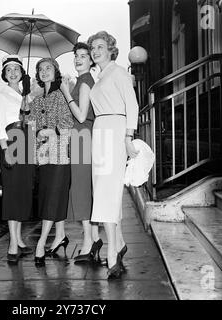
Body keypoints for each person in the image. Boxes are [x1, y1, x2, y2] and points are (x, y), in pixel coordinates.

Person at [87, 31, 139, 278]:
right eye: (93, 48)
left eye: (100, 46)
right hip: (100, 132)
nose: (95, 51)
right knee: (103, 190)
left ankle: (111, 253)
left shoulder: (118, 73)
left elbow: (133, 105)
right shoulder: (100, 76)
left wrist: (128, 137)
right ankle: (119, 244)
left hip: (115, 131)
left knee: (108, 192)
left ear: (111, 50)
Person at [26, 57, 74, 266]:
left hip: (59, 153)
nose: (44, 71)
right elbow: (29, 123)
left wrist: (49, 131)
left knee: (51, 198)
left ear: (55, 72)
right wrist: (35, 130)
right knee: (49, 195)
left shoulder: (60, 95)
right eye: (41, 69)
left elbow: (68, 123)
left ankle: (41, 244)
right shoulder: (37, 99)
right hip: (43, 155)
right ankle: (60, 236)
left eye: (48, 68)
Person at [60, 42, 102, 263]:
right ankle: (93, 237)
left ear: (91, 60)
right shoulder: (82, 81)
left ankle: (88, 242)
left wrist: (67, 92)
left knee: (81, 190)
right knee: (83, 188)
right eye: (76, 56)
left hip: (83, 138)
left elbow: (82, 116)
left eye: (84, 56)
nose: (78, 59)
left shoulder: (85, 82)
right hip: (80, 139)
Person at [0, 55, 35, 264]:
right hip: (11, 141)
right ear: (4, 74)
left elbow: (32, 120)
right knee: (12, 191)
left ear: (21, 72)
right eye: (8, 70)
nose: (12, 73)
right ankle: (11, 243)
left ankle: (18, 239)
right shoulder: (1, 95)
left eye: (16, 69)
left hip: (27, 141)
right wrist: (5, 148)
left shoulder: (26, 94)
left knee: (23, 190)